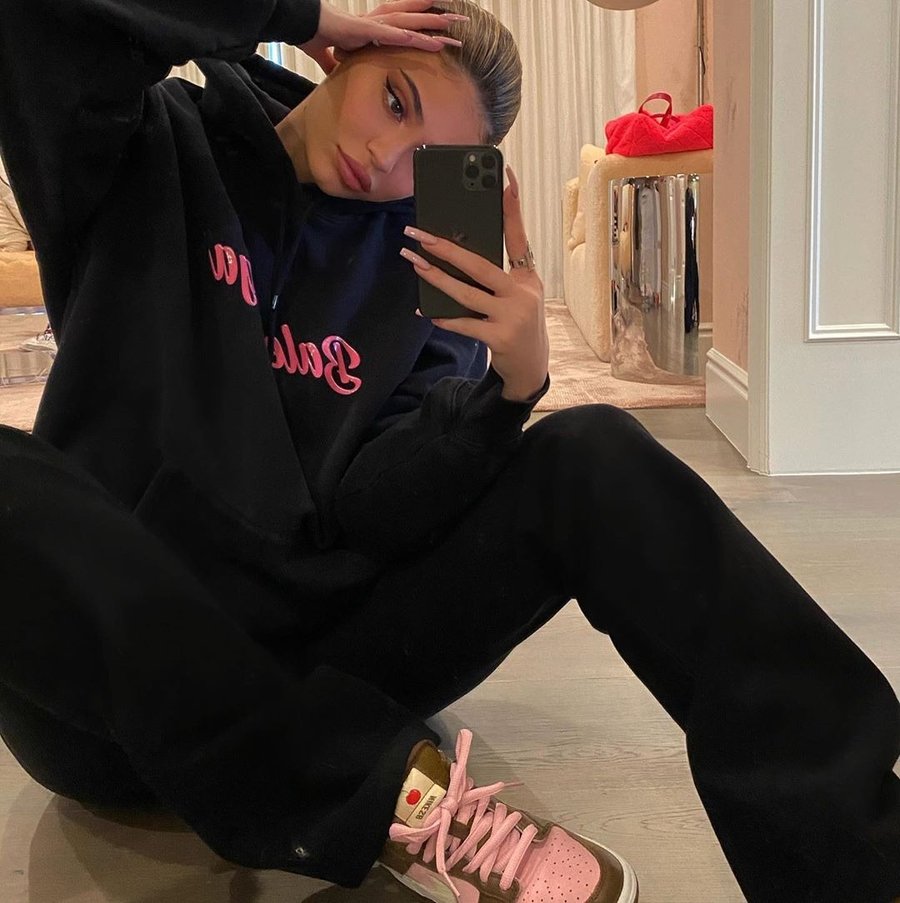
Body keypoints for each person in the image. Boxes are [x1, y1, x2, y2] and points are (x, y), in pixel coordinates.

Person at [0, 1, 897, 902]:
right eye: (395, 100)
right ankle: (371, 786)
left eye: (427, 160)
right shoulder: (137, 144)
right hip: (104, 705)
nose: (387, 157)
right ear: (346, 52)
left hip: (324, 662)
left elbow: (374, 511)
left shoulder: (428, 261)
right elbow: (41, 19)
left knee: (594, 453)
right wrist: (289, 13)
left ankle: (863, 861)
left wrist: (505, 392)